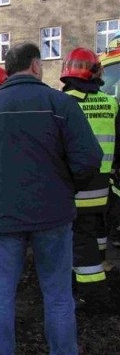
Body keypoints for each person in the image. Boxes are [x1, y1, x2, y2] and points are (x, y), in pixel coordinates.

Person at [0, 42, 102, 355]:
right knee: (57, 295)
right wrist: (66, 188)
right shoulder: (59, 104)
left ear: (7, 71)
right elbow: (89, 159)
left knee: (0, 294)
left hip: (2, 219)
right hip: (53, 216)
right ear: (36, 66)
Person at [60, 47, 120, 307]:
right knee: (98, 232)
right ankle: (103, 265)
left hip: (76, 188)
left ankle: (93, 295)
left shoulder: (64, 103)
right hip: (105, 188)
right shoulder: (111, 102)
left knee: (80, 242)